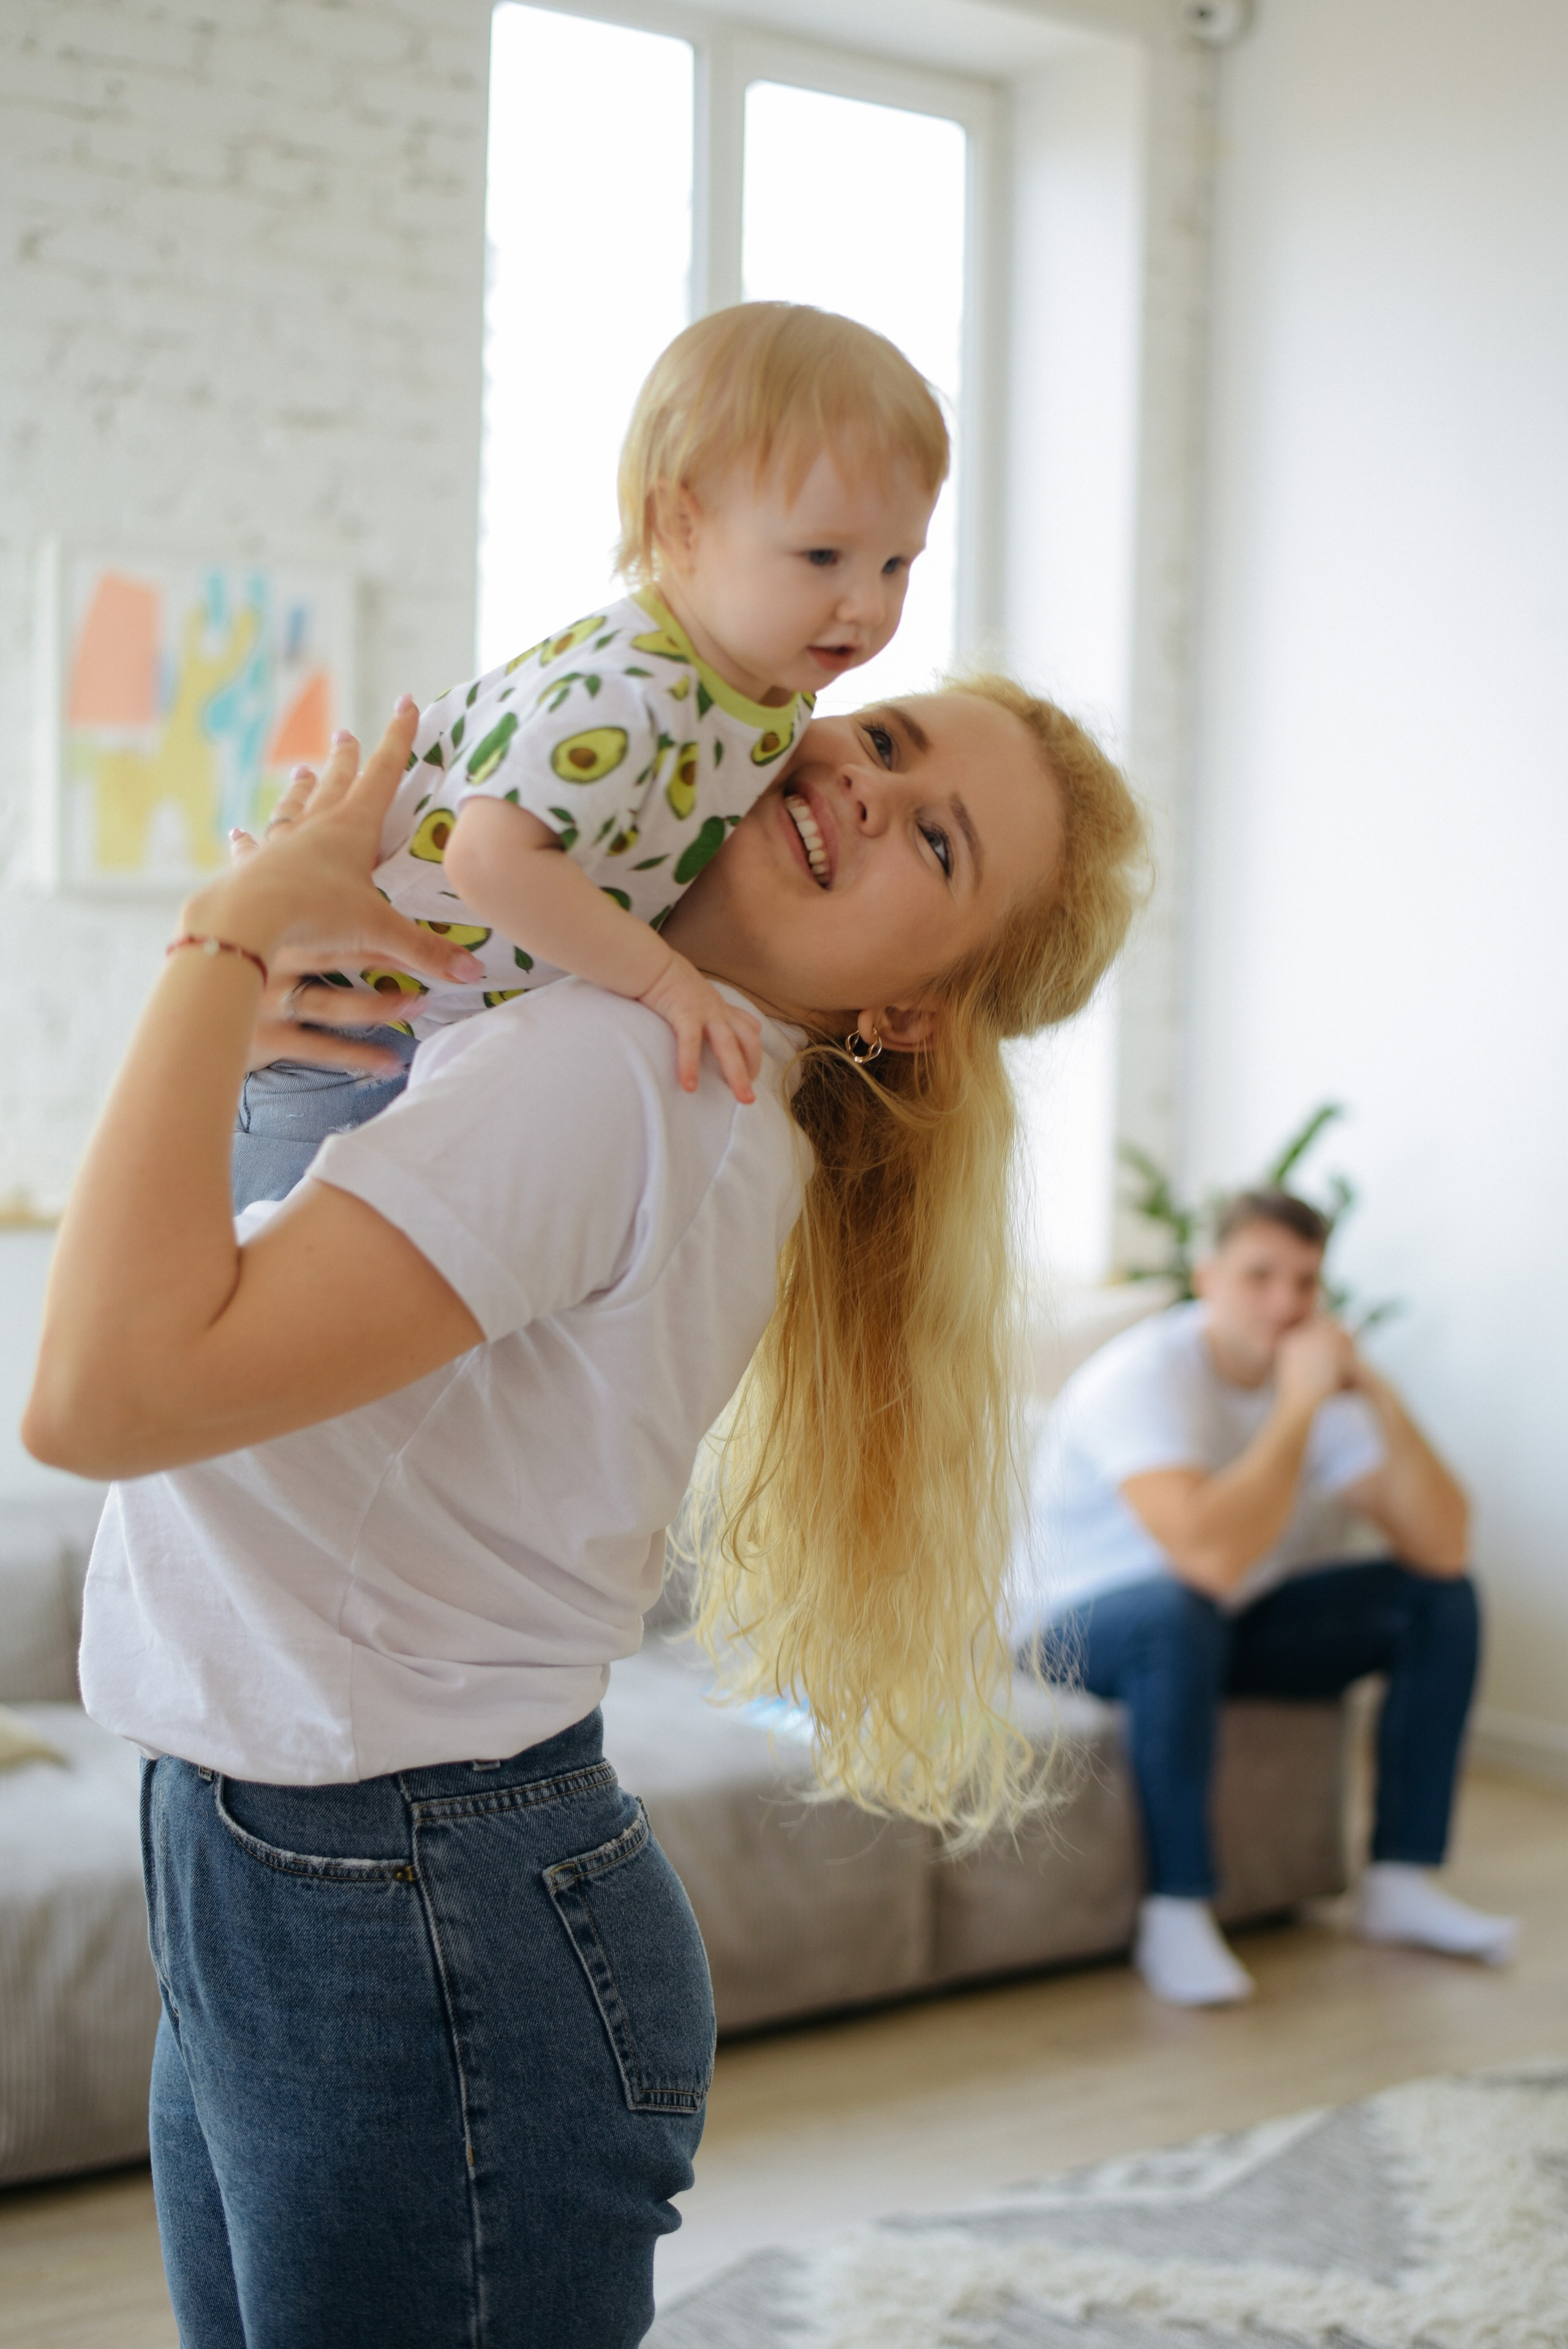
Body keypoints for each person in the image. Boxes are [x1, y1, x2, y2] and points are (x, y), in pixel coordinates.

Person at [24, 674, 1144, 2347]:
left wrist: (224, 938)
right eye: (888, 735)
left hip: (393, 1899)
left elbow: (95, 1399)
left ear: (916, 1014)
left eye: (935, 837)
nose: (860, 781)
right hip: (310, 1855)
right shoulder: (578, 1032)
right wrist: (260, 1026)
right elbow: (235, 1351)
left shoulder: (624, 1069)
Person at [232, 304, 948, 1209]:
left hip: (433, 1020)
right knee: (255, 1290)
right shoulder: (633, 690)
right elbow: (487, 857)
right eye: (823, 556)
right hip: (343, 1023)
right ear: (683, 528)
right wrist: (661, 980)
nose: (868, 608)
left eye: (897, 565)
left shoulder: (775, 691)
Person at [1017, 1189, 1515, 2008]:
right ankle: (1177, 1907)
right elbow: (1207, 1559)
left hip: (1215, 1625)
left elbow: (1444, 1543)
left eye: (1305, 1283)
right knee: (1178, 1610)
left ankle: (1400, 1881)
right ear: (1207, 1278)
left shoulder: (1311, 1385)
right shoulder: (1143, 1378)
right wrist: (1298, 1407)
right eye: (1259, 1277)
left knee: (1438, 1598)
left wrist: (1373, 1390)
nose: (1285, 1304)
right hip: (1076, 1628)